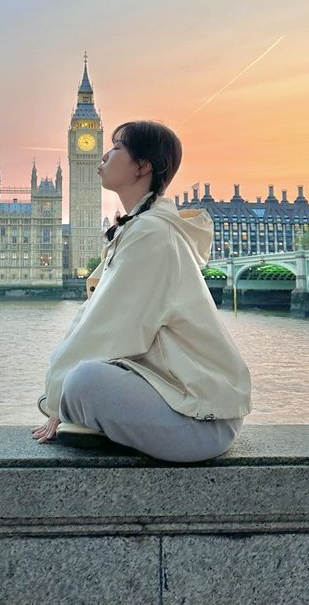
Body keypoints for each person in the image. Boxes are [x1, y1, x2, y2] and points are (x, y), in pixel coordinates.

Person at [31, 120, 252, 462]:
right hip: (178, 400)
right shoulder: (140, 227)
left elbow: (110, 325)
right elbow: (89, 318)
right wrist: (59, 394)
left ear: (143, 166)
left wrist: (59, 395)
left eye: (117, 147)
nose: (103, 155)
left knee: (84, 382)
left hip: (201, 421)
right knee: (80, 382)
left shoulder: (151, 233)